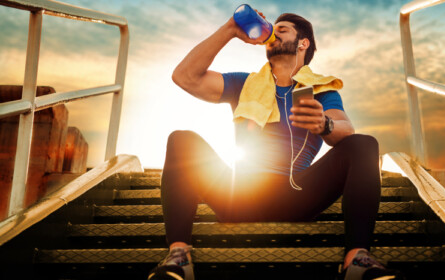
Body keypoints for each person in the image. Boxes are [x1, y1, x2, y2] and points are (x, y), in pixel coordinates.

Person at [147, 9, 403, 280]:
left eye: (282, 30)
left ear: (303, 43)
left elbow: (346, 130)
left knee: (364, 144)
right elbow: (185, 77)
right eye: (272, 29)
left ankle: (356, 260)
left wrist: (324, 124)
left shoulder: (322, 91)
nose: (273, 33)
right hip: (240, 193)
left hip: (297, 194)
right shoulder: (244, 83)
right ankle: (178, 258)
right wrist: (230, 30)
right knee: (181, 140)